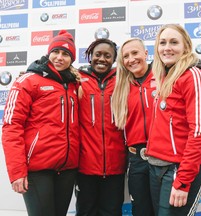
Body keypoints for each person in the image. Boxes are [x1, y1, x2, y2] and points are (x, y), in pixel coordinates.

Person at [2, 30, 80, 216]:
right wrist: (17, 172)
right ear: (48, 53)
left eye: (66, 54)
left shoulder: (74, 84)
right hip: (37, 170)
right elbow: (11, 127)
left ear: (72, 59)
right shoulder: (27, 81)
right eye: (56, 52)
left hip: (67, 169)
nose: (60, 58)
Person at [146, 24, 201, 216]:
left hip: (177, 171)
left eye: (174, 42)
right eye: (162, 43)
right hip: (156, 167)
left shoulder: (194, 76)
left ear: (186, 46)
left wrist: (183, 180)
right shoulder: (165, 77)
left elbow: (199, 132)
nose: (167, 47)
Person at [75, 39, 127, 216]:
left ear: (114, 60)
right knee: (86, 211)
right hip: (85, 166)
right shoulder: (77, 79)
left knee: (112, 212)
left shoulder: (123, 80)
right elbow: (51, 75)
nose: (102, 59)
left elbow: (151, 73)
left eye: (107, 56)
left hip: (115, 166)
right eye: (98, 54)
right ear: (90, 56)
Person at [111, 38, 155, 216]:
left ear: (146, 53)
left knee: (165, 209)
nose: (131, 59)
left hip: (161, 156)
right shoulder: (121, 86)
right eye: (126, 56)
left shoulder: (164, 77)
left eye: (135, 53)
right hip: (136, 159)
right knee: (141, 211)